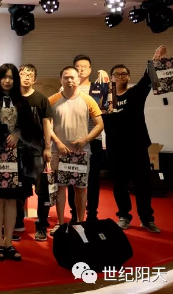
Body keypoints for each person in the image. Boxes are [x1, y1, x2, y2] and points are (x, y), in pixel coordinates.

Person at [0, 64, 40, 262]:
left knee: (13, 200)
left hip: (17, 158)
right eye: (4, 77)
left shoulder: (22, 102)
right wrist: (2, 134)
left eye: (11, 77)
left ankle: (9, 243)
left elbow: (31, 127)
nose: (7, 81)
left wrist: (17, 133)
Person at [102, 46, 165, 233]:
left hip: (137, 147)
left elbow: (148, 79)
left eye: (124, 74)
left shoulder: (135, 94)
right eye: (117, 74)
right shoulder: (105, 99)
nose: (121, 76)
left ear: (128, 77)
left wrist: (155, 61)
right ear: (111, 78)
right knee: (119, 184)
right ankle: (123, 216)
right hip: (115, 149)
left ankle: (147, 219)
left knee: (143, 184)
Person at [48, 66, 103, 235]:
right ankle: (60, 222)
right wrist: (58, 143)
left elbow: (100, 124)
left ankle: (80, 223)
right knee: (60, 188)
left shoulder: (88, 100)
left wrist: (85, 140)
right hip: (58, 151)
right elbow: (47, 126)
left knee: (81, 188)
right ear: (61, 80)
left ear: (78, 80)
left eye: (73, 77)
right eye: (66, 77)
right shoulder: (52, 100)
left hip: (81, 152)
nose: (69, 80)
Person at [68, 55, 107, 222]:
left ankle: (92, 216)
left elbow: (107, 108)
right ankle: (74, 215)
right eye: (78, 66)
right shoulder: (67, 88)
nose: (81, 69)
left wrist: (106, 83)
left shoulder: (99, 88)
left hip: (93, 139)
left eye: (85, 66)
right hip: (73, 141)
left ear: (90, 69)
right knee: (72, 179)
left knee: (92, 180)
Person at [18, 64, 54, 242]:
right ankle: (17, 223)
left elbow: (47, 124)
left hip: (37, 151)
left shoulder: (41, 99)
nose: (26, 77)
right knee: (18, 189)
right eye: (23, 74)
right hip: (17, 151)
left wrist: (47, 147)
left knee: (42, 190)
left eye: (29, 75)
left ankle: (41, 226)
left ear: (35, 79)